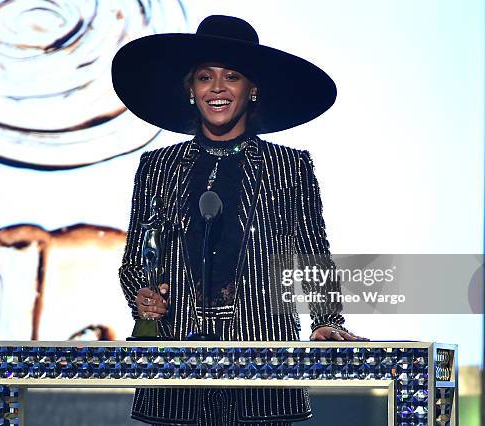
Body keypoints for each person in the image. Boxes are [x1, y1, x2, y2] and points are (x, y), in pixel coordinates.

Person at [113, 14, 364, 426]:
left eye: (231, 76)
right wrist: (141, 296)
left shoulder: (289, 166)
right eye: (204, 77)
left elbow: (313, 254)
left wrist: (325, 322)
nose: (217, 87)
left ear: (252, 90)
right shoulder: (157, 166)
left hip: (263, 361)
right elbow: (136, 259)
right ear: (191, 91)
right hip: (176, 365)